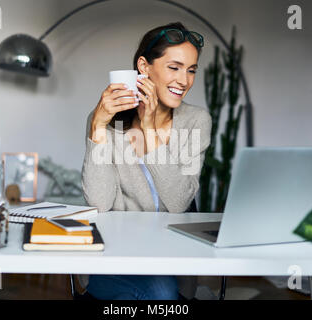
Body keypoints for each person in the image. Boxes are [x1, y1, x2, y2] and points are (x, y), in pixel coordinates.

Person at [80, 22, 212, 300]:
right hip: (115, 255)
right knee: (160, 294)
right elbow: (100, 203)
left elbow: (178, 203)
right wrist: (98, 128)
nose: (184, 81)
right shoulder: (106, 121)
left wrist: (150, 129)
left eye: (191, 70)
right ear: (144, 66)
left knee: (160, 290)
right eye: (174, 67)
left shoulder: (195, 121)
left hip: (173, 259)